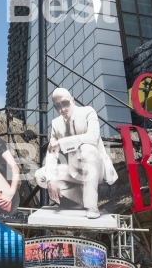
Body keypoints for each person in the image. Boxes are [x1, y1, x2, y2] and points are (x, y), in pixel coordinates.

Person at [35, 88, 118, 219]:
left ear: (72, 100)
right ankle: (80, 200)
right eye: (57, 106)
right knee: (40, 175)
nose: (62, 109)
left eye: (65, 103)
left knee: (87, 149)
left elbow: (93, 136)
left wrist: (63, 143)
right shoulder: (56, 124)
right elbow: (51, 153)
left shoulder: (88, 112)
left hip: (96, 168)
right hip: (74, 170)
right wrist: (51, 179)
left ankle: (91, 206)